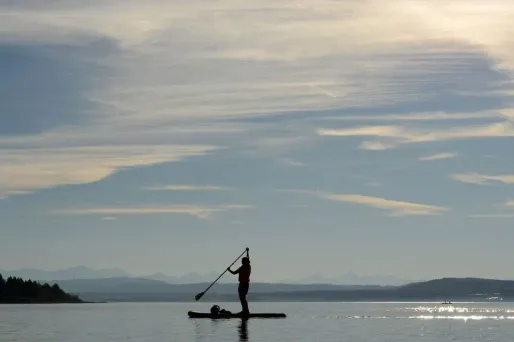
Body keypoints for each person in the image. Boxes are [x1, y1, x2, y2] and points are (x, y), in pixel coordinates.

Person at [228, 248, 251, 317]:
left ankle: (245, 311)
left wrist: (229, 270)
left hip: (242, 284)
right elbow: (248, 258)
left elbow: (234, 273)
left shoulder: (242, 268)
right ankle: (246, 311)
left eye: (242, 261)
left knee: (242, 298)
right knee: (243, 298)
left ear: (243, 262)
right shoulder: (248, 266)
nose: (241, 261)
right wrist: (247, 252)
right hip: (246, 284)